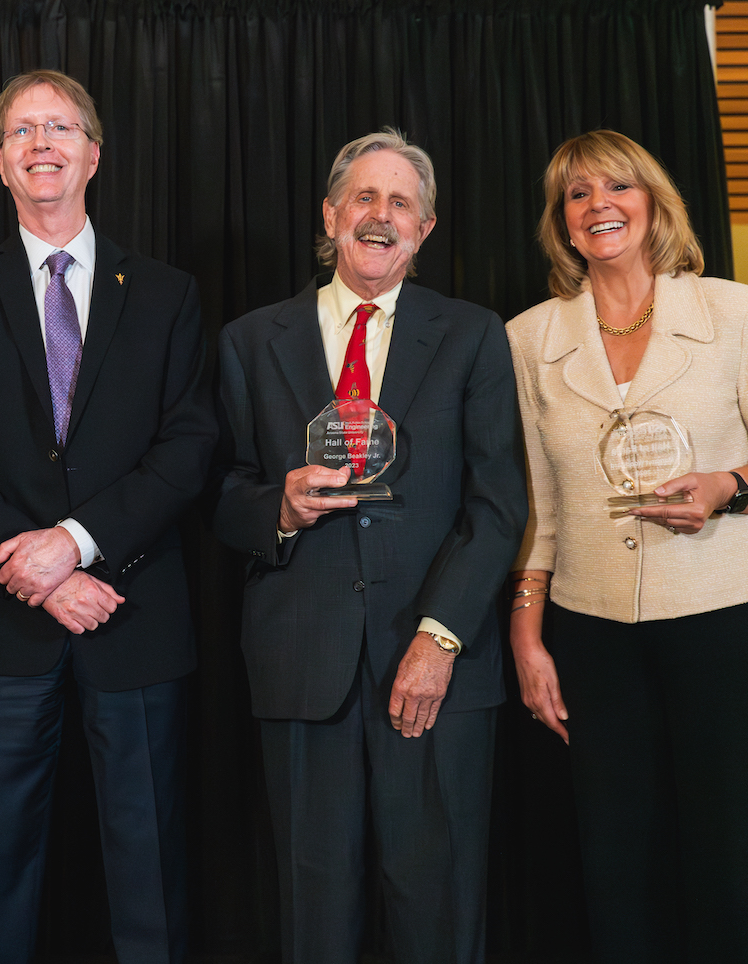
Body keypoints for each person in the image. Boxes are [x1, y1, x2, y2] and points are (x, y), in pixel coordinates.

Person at [507, 129, 748, 964]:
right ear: (563, 224)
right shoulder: (530, 338)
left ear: (653, 203)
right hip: (591, 629)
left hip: (731, 619)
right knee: (617, 857)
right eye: (577, 195)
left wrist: (727, 488)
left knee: (735, 849)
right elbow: (538, 509)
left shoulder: (733, 311)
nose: (598, 206)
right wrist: (525, 635)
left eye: (616, 187)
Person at [0, 69, 216, 964]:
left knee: (149, 867)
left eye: (60, 128)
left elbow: (187, 448)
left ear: (93, 154)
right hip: (2, 621)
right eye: (21, 132)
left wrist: (75, 547)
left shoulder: (167, 294)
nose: (41, 143)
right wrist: (40, 579)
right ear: (2, 164)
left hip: (136, 616)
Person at [211, 128, 526, 964]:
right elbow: (222, 498)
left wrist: (440, 636)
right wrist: (276, 505)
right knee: (314, 911)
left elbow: (498, 506)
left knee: (437, 901)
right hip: (300, 665)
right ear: (331, 215)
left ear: (423, 229)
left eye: (401, 204)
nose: (380, 216)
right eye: (364, 198)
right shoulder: (250, 340)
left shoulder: (472, 336)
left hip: (436, 665)